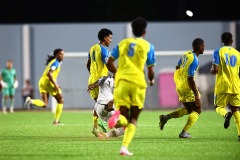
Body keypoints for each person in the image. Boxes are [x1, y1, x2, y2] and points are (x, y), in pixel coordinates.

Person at [106, 17, 156, 156]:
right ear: (144, 31)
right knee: (133, 119)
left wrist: (119, 73)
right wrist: (151, 81)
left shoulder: (122, 43)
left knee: (124, 116)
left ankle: (116, 117)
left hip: (122, 82)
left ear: (133, 31)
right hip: (137, 83)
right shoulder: (148, 46)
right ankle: (124, 148)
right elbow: (151, 71)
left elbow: (109, 63)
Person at [159, 38, 205, 139]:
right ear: (199, 47)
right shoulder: (195, 60)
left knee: (188, 109)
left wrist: (180, 80)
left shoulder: (186, 54)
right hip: (187, 87)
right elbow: (190, 79)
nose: (204, 47)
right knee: (198, 109)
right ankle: (184, 132)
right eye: (203, 45)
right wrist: (196, 94)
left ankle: (166, 117)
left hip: (179, 85)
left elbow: (177, 67)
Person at [210, 32, 240, 141]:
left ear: (222, 40)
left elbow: (216, 70)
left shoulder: (218, 51)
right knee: (236, 109)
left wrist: (212, 71)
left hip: (223, 84)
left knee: (218, 107)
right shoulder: (238, 53)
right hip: (236, 85)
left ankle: (226, 114)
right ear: (232, 41)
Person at [24, 48, 65, 126]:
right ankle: (55, 122)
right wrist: (55, 85)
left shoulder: (52, 62)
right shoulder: (56, 63)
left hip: (42, 81)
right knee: (61, 100)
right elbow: (49, 74)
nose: (63, 56)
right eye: (61, 54)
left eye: (63, 54)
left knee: (44, 104)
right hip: (48, 83)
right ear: (56, 55)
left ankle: (31, 101)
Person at [86, 28, 113, 136]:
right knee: (108, 103)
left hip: (92, 78)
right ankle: (103, 122)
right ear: (105, 38)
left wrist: (93, 76)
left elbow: (87, 64)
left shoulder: (92, 48)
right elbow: (108, 64)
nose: (111, 40)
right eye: (110, 38)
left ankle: (95, 127)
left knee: (98, 104)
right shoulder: (104, 50)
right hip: (101, 80)